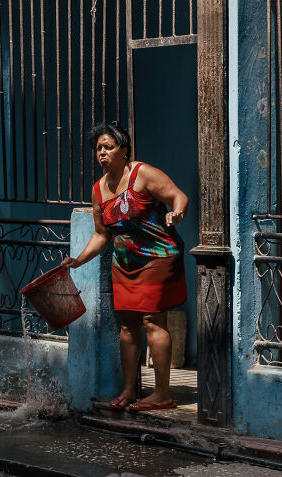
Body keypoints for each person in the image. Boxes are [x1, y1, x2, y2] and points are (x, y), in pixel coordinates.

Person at [62, 121, 188, 411]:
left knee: (152, 321)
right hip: (124, 264)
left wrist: (177, 213)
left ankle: (162, 394)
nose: (102, 153)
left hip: (158, 257)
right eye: (98, 149)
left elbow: (177, 195)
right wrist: (78, 260)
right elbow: (101, 234)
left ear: (124, 150)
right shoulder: (98, 189)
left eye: (108, 147)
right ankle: (130, 390)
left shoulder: (142, 174)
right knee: (128, 327)